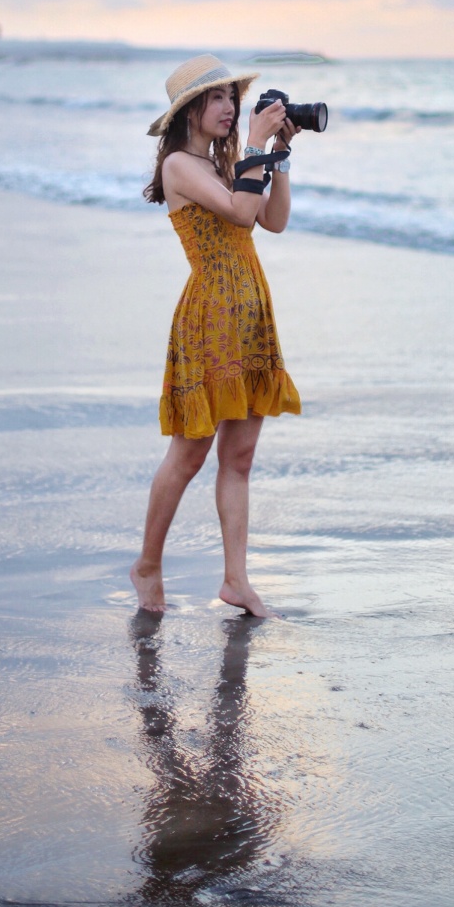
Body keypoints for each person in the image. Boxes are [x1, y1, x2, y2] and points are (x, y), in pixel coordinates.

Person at [130, 55, 301, 617]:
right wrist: (255, 147)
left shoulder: (226, 165)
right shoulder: (182, 166)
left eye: (234, 97)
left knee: (241, 456)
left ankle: (236, 580)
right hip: (210, 315)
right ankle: (148, 565)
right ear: (190, 112)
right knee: (190, 453)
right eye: (219, 99)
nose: (230, 108)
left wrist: (280, 156)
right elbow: (238, 213)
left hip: (250, 309)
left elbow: (272, 220)